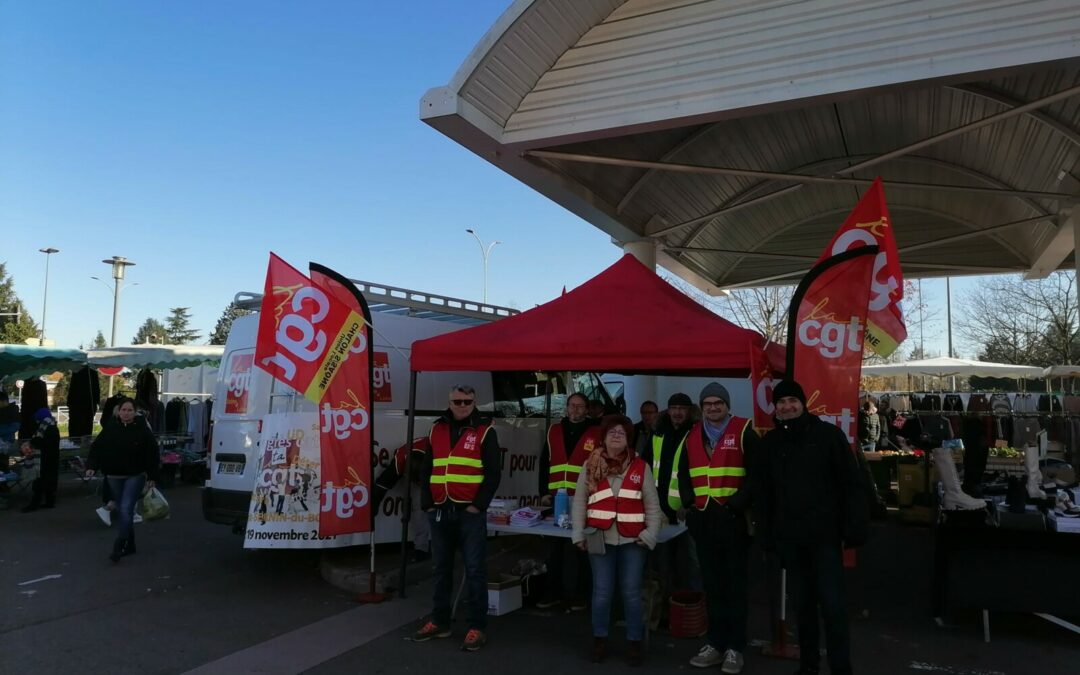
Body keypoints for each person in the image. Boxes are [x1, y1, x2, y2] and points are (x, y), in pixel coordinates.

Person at [759, 380, 868, 675]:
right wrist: (768, 535)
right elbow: (766, 493)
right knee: (803, 609)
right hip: (791, 541)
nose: (787, 406)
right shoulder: (770, 444)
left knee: (833, 607)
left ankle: (841, 668)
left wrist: (854, 526)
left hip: (825, 539)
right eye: (781, 402)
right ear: (776, 408)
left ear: (803, 404)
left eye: (792, 401)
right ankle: (808, 666)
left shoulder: (828, 436)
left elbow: (851, 484)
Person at [678, 383, 759, 674]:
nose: (713, 407)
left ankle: (735, 648)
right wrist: (689, 504)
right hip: (704, 521)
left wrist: (736, 505)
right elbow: (684, 474)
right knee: (712, 586)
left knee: (735, 587)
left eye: (718, 403)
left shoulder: (744, 430)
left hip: (734, 522)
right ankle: (715, 643)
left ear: (727, 405)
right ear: (702, 407)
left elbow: (757, 475)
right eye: (708, 403)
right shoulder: (692, 435)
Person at [412, 385, 501, 652]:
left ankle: (477, 627)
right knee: (440, 569)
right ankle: (440, 621)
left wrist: (478, 506)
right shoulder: (436, 429)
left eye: (467, 401)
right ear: (449, 402)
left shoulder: (485, 431)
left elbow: (494, 473)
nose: (462, 405)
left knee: (474, 570)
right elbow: (427, 468)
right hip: (439, 510)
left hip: (468, 513)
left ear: (475, 403)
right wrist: (426, 503)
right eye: (456, 401)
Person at [572, 415, 661, 666]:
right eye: (612, 432)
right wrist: (578, 533)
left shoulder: (641, 467)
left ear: (628, 439)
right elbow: (579, 502)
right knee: (601, 594)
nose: (617, 436)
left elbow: (653, 506)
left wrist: (650, 534)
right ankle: (599, 640)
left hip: (634, 541)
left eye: (622, 433)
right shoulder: (590, 466)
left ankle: (634, 642)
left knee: (631, 594)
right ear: (604, 436)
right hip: (599, 539)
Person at [536, 391, 602, 610]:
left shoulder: (596, 433)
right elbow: (544, 463)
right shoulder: (554, 431)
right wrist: (543, 492)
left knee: (581, 550)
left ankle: (581, 596)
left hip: (583, 500)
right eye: (572, 405)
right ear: (566, 408)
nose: (575, 409)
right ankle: (552, 592)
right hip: (556, 498)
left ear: (587, 409)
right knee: (553, 551)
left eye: (580, 406)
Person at [85, 397, 160, 562]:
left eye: (130, 410)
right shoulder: (111, 427)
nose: (126, 413)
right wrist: (91, 466)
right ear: (118, 411)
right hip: (113, 475)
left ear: (135, 412)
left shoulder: (142, 429)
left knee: (126, 509)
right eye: (123, 410)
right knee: (123, 511)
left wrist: (152, 476)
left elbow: (152, 453)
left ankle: (119, 545)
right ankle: (131, 543)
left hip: (135, 475)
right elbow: (97, 448)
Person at [373, 437, 431, 561]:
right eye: (417, 482)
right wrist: (374, 504)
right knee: (420, 506)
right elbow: (382, 484)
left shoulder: (440, 453)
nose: (420, 484)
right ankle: (421, 549)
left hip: (440, 469)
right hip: (417, 465)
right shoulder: (399, 461)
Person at [21, 407, 61, 512]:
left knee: (40, 482)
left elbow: (42, 442)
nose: (36, 421)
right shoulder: (51, 426)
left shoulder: (48, 428)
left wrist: (32, 442)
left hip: (45, 460)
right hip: (51, 459)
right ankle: (49, 502)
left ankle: (34, 504)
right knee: (49, 482)